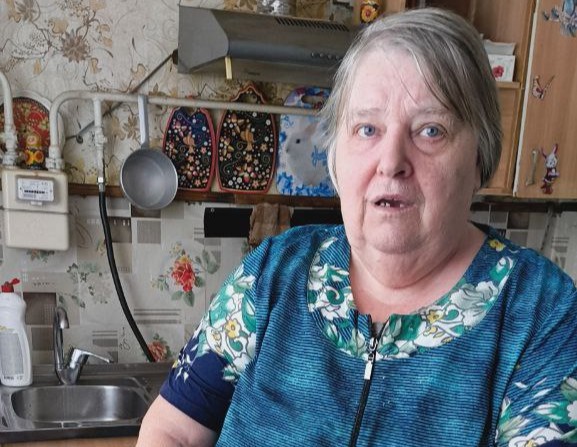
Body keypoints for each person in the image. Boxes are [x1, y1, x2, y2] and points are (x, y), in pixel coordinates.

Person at [137, 7, 577, 447]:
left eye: (430, 130)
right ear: (336, 156)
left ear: (480, 157)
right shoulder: (273, 272)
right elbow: (173, 430)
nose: (391, 162)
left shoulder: (542, 313)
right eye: (367, 129)